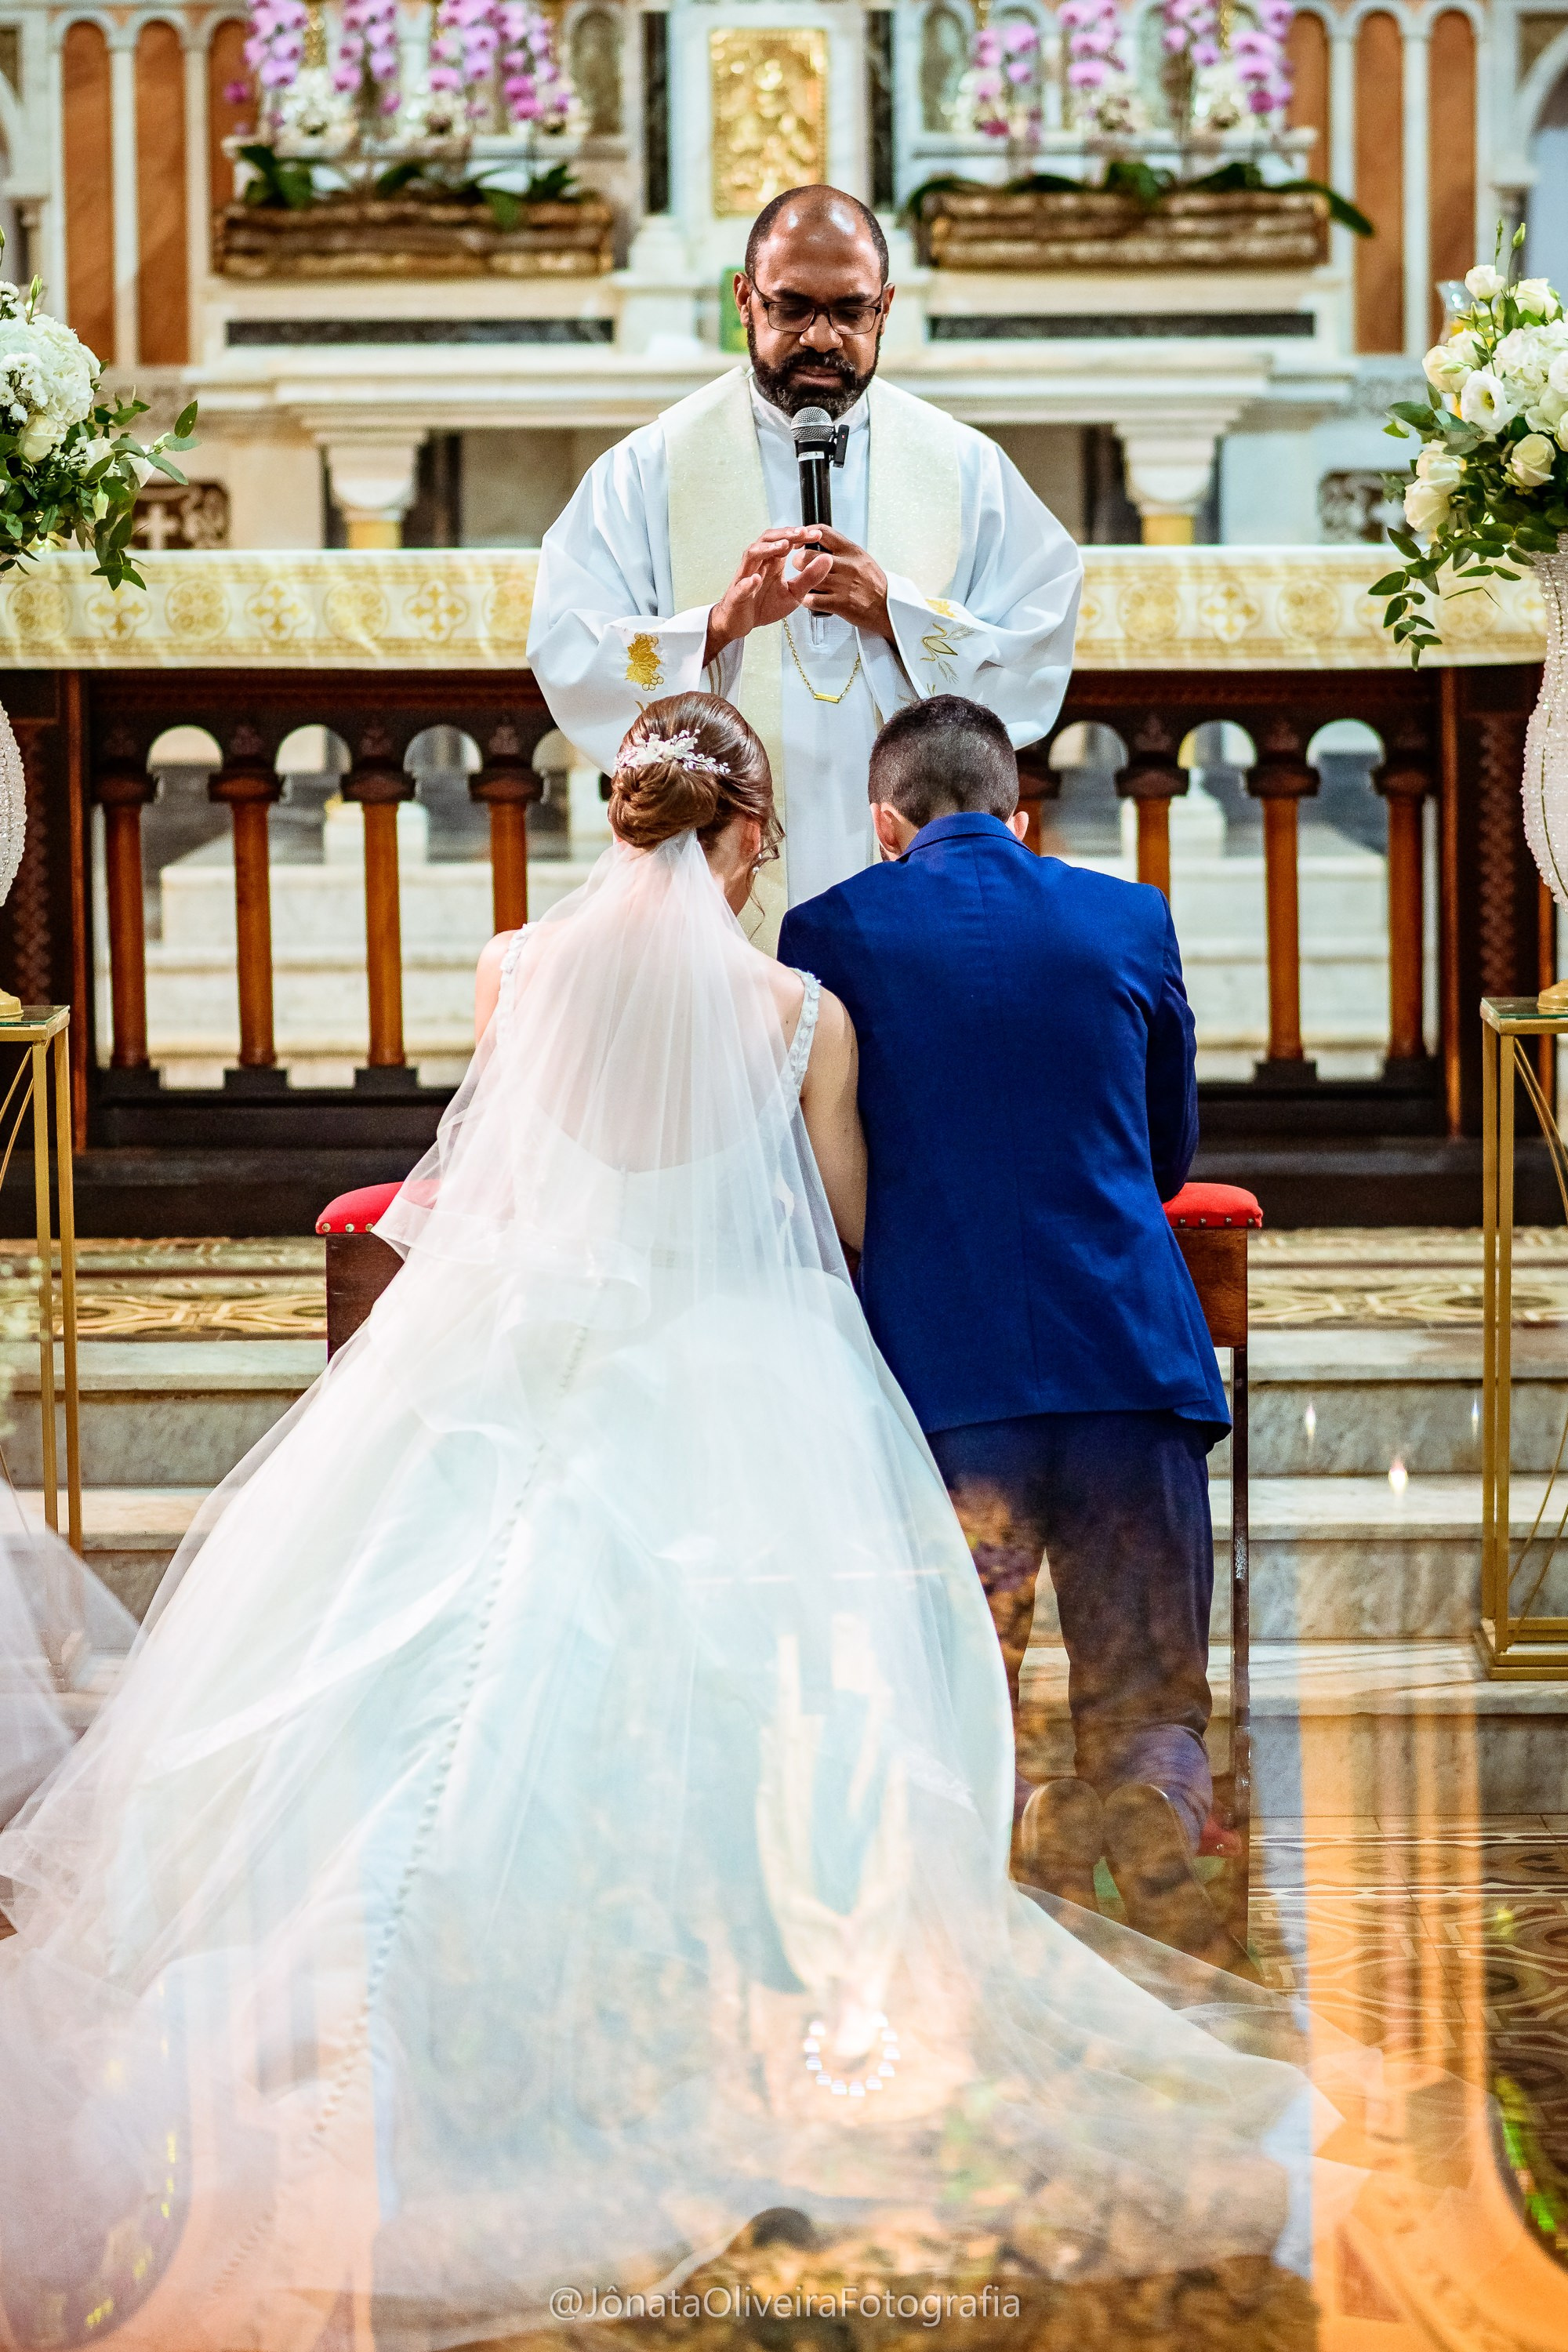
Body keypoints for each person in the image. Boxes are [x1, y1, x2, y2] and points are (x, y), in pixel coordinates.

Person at [0, 695, 1311, 2348]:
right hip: (725, 1371)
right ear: (750, 830)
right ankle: (741, 2014)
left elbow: (494, 1169)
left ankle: (439, 2024)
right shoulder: (792, 1007)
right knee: (744, 1703)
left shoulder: (511, 969)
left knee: (433, 1668)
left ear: (617, 816)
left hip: (510, 1369)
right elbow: (834, 1220)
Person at [779, 693, 1242, 1972]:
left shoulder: (828, 934)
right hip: (1128, 1367)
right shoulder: (1126, 916)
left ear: (887, 823)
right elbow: (1169, 1151)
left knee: (961, 1681)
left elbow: (824, 1155)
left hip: (944, 1388)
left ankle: (1015, 1840)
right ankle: (1149, 1809)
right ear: (1019, 812)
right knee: (1149, 1691)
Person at [528, 183, 1081, 947]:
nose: (821, 337)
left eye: (849, 311)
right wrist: (717, 629)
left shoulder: (962, 467)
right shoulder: (652, 468)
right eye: (792, 307)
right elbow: (566, 643)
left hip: (907, 866)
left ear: (883, 308)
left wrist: (897, 614)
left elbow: (1037, 635)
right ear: (743, 301)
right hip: (716, 882)